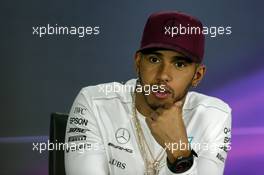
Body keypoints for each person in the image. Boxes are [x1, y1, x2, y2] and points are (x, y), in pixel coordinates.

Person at [64, 11, 232, 175]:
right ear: (138, 62)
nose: (163, 75)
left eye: (179, 64)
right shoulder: (94, 102)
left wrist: (179, 155)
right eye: (154, 59)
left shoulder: (214, 116)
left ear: (197, 75)